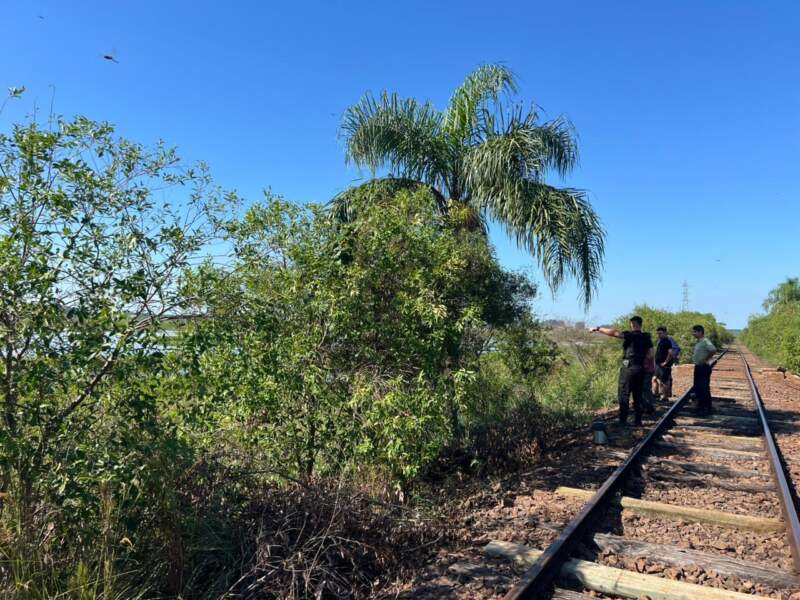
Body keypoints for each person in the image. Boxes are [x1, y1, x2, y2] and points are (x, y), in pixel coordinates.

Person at [591, 316, 654, 426]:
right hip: (640, 369)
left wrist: (598, 328)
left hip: (628, 368)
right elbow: (651, 354)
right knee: (638, 395)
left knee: (624, 394)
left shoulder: (630, 335)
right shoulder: (646, 337)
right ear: (641, 324)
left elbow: (614, 333)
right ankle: (638, 421)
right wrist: (643, 362)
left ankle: (623, 421)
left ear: (632, 324)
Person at [691, 324, 717, 416]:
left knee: (704, 388)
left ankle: (706, 409)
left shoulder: (705, 341)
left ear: (700, 332)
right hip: (698, 367)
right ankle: (700, 407)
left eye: (694, 332)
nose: (693, 333)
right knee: (698, 388)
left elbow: (713, 350)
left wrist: (705, 360)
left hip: (704, 367)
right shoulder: (699, 342)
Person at [654, 326, 675, 401]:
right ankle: (656, 395)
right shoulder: (660, 341)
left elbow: (670, 353)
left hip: (664, 365)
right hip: (657, 364)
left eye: (660, 333)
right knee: (655, 379)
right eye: (658, 333)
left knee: (665, 381)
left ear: (665, 333)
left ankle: (665, 397)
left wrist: (665, 362)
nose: (659, 335)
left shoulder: (667, 341)